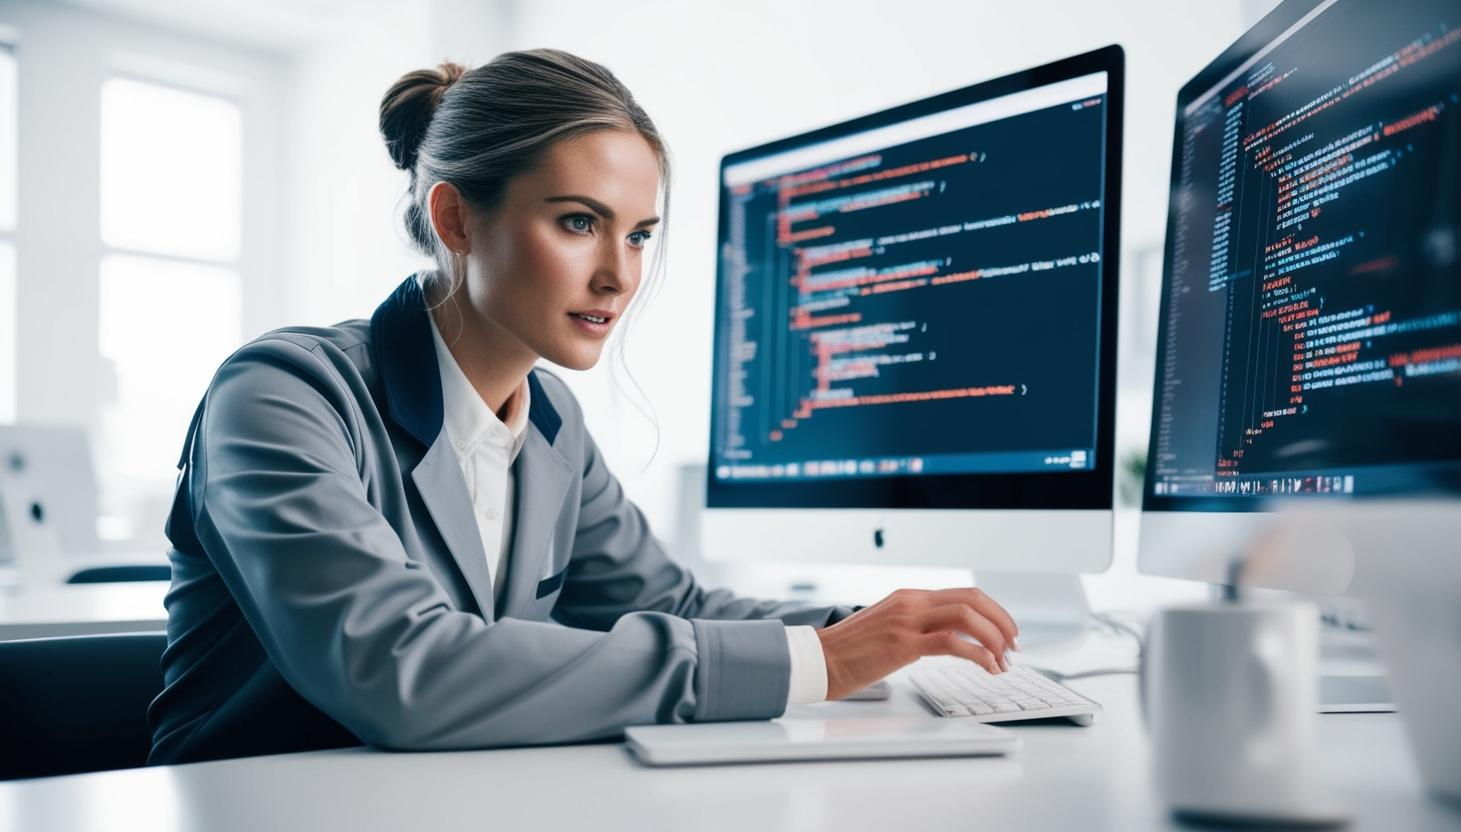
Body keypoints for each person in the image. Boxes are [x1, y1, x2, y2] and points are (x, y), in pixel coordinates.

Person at [146, 49, 1019, 765]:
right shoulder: (281, 396)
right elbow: (400, 668)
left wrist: (873, 632)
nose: (620, 274)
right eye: (577, 222)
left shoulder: (550, 422)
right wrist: (821, 662)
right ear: (454, 218)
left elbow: (674, 605)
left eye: (639, 234)